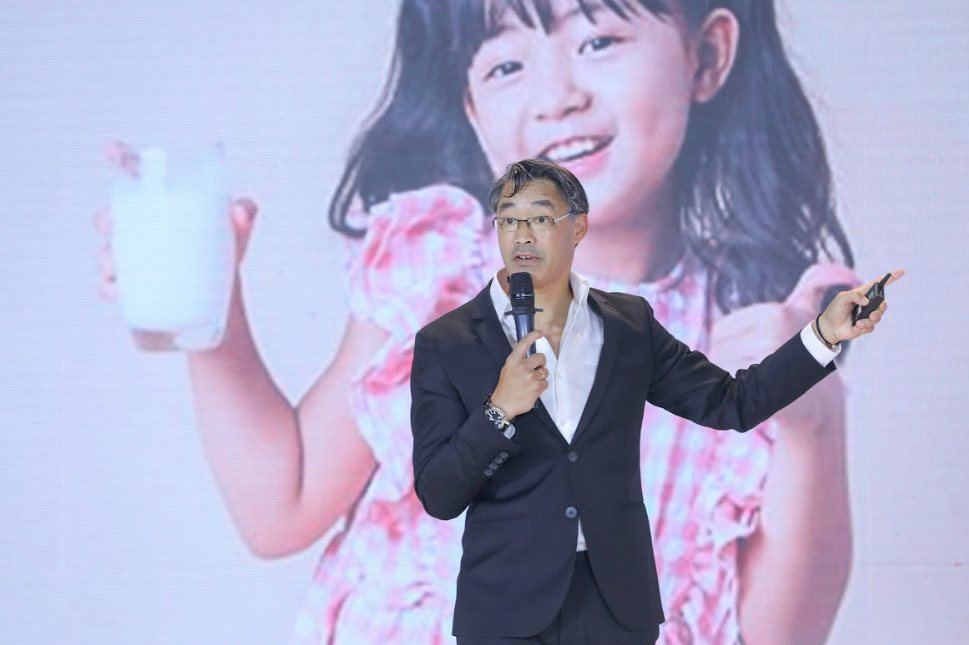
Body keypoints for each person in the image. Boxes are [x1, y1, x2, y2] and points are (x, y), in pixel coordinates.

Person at [95, 1, 886, 642]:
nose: (556, 96)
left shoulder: (748, 334)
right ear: (472, 109)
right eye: (507, 64)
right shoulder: (436, 277)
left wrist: (812, 421)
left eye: (598, 40)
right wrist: (210, 310)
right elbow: (283, 504)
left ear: (705, 56)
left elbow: (781, 632)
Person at [411, 158, 900, 643]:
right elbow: (439, 494)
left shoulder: (627, 325)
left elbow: (732, 403)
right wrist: (499, 410)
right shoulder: (447, 342)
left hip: (615, 606)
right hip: (505, 610)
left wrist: (822, 335)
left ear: (577, 227)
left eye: (539, 218)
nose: (521, 236)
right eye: (508, 220)